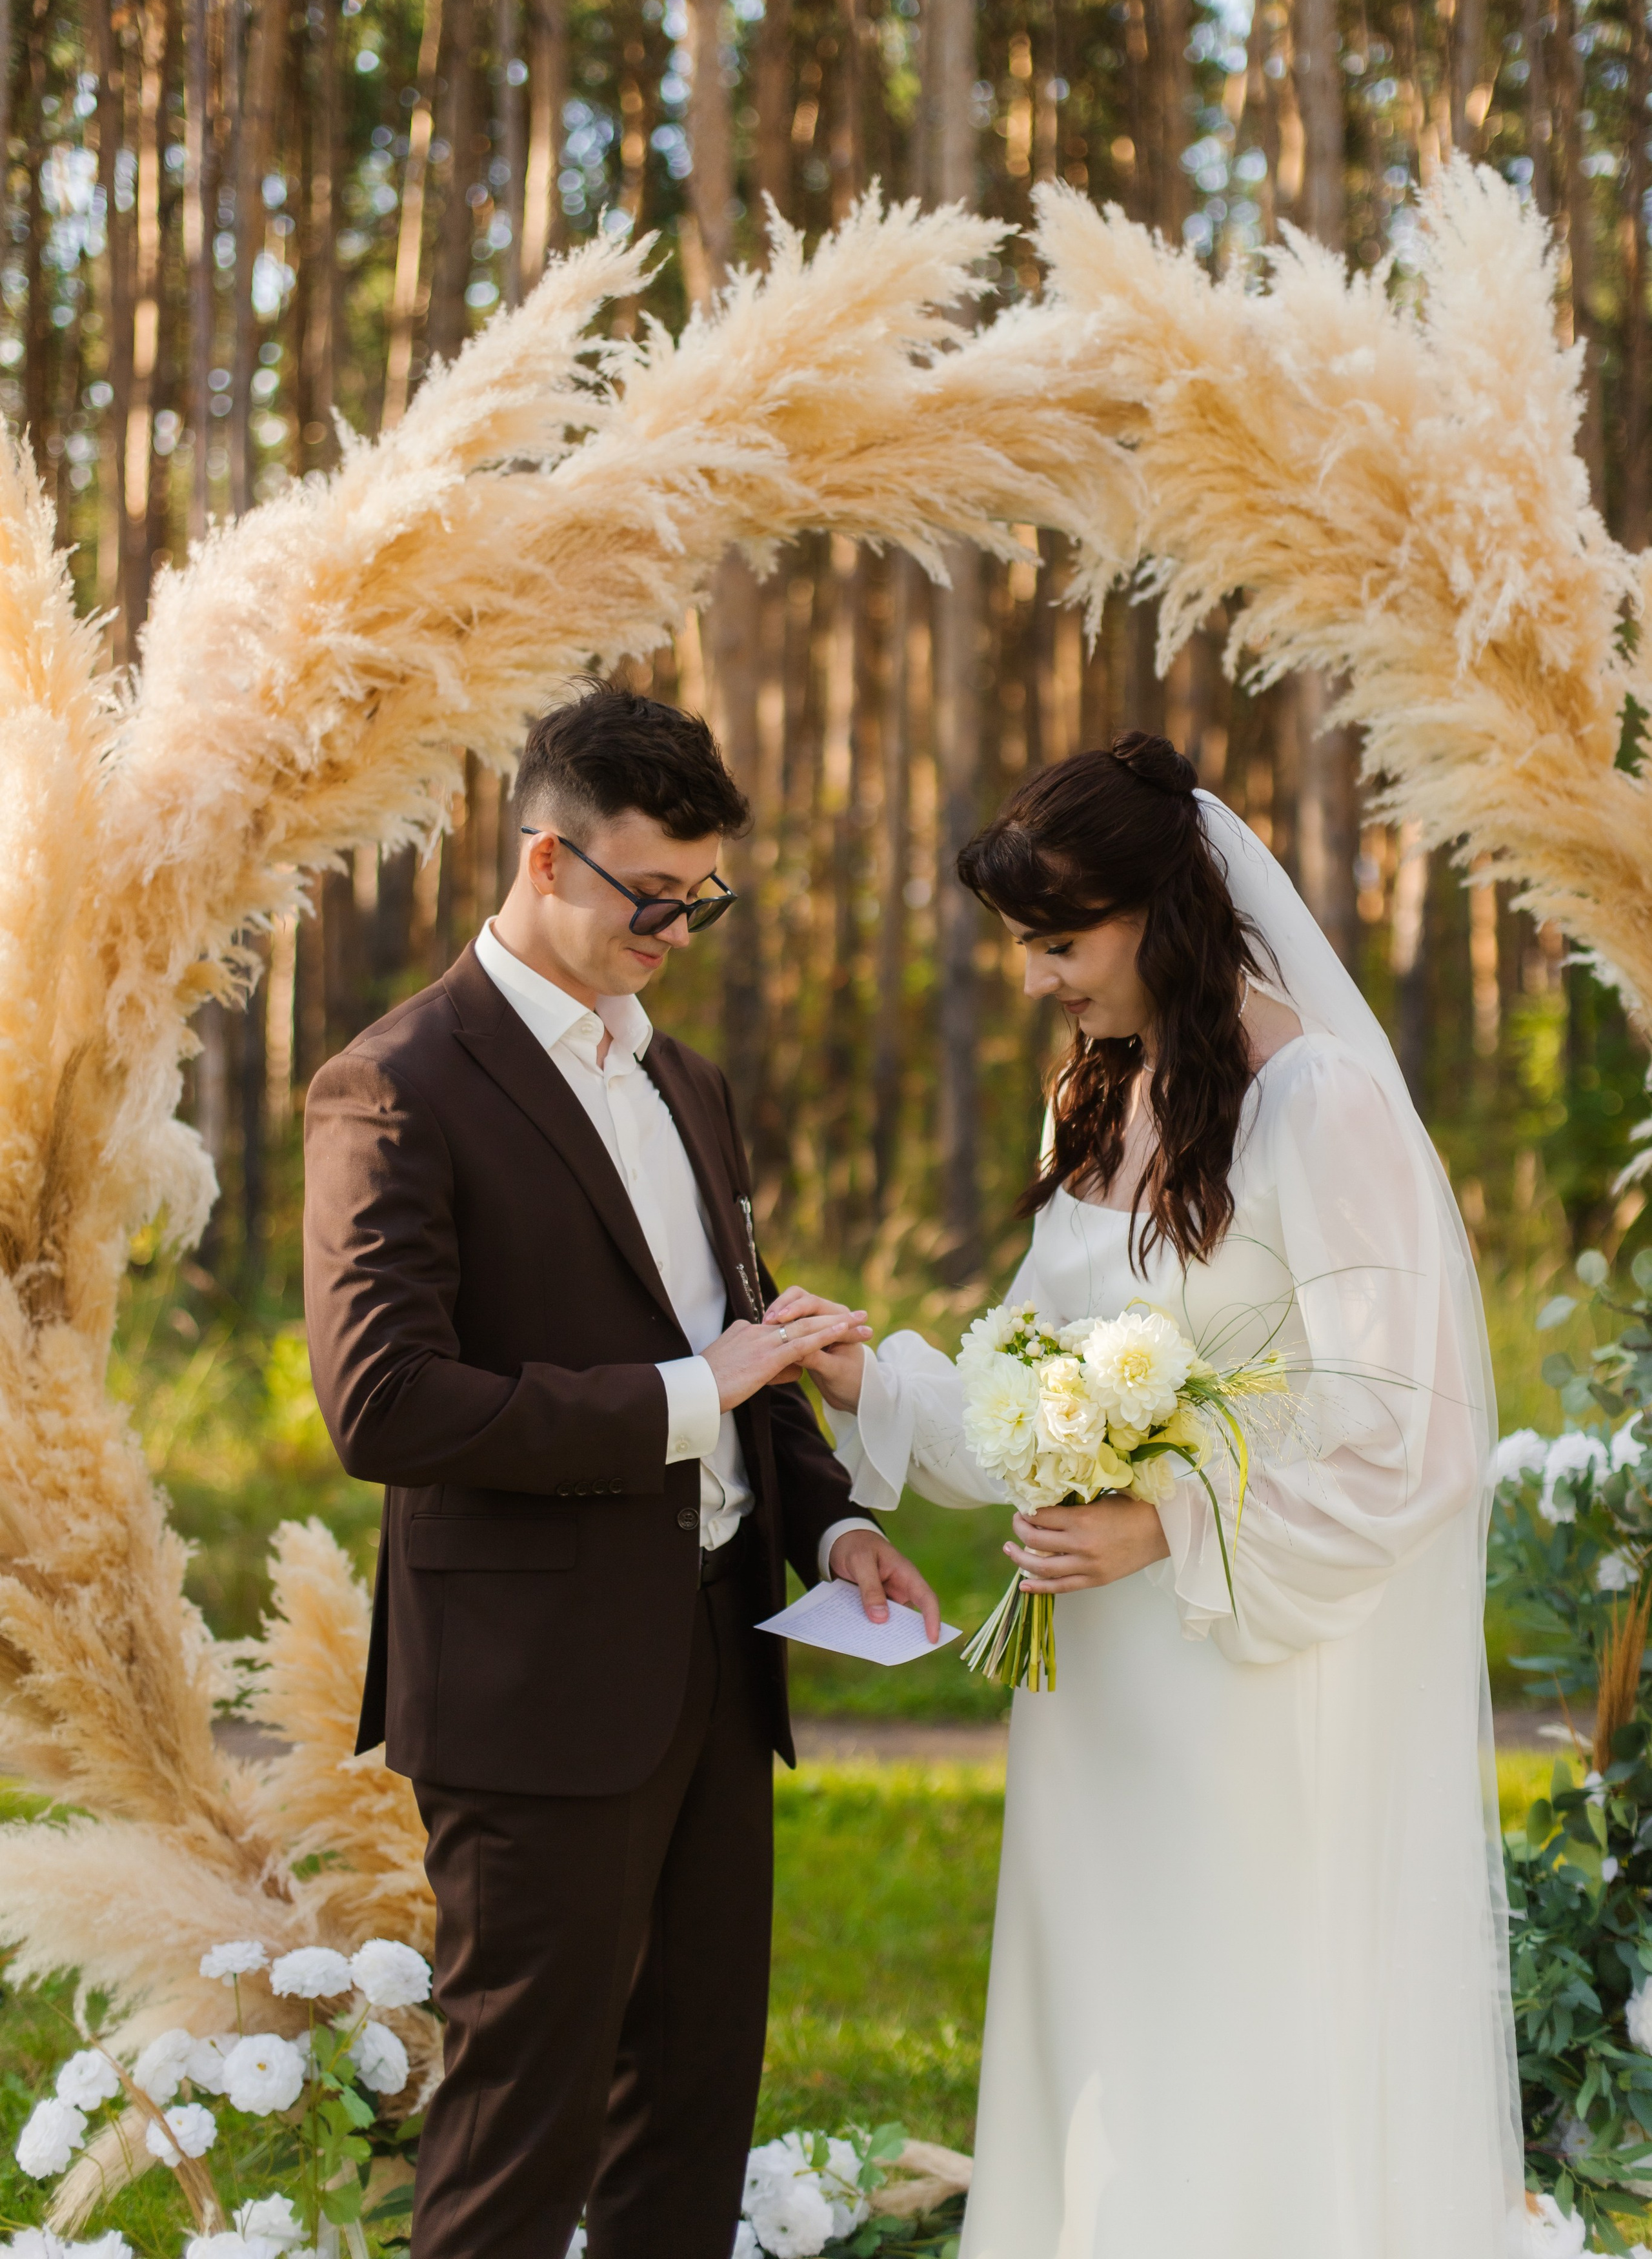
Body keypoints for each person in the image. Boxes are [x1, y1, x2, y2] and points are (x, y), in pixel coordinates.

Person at [784, 731, 1524, 2259]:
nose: (1041, 979)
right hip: (1095, 1684)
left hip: (1237, 1667)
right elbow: (1038, 1397)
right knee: (1101, 2009)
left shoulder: (1316, 1104)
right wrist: (872, 1381)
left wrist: (1163, 1521)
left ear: (1164, 913)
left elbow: (1411, 1432)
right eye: (1025, 948)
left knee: (1228, 2001)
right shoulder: (1092, 1099)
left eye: (1062, 944)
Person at [302, 680, 938, 2259]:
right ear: (544, 863)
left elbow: (744, 1349)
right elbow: (383, 1404)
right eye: (652, 897)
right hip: (532, 1694)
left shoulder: (686, 1084)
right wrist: (676, 1396)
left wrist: (834, 1525)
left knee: (693, 2107)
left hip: (717, 1669)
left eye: (699, 900)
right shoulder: (396, 1084)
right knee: (527, 2126)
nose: (675, 929)